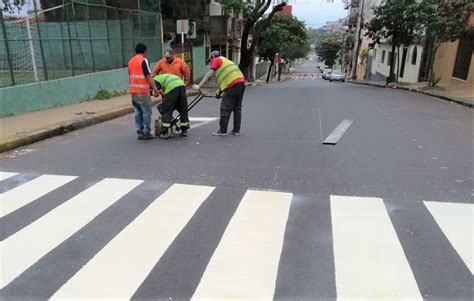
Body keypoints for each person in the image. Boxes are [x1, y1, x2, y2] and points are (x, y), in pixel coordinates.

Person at [193, 51, 246, 136]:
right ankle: (236, 130)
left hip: (232, 85)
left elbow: (209, 74)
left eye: (210, 60)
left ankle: (222, 131)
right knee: (237, 108)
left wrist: (199, 86)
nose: (210, 63)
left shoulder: (217, 59)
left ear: (213, 57)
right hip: (241, 83)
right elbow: (225, 80)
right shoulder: (226, 61)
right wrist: (219, 92)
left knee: (225, 108)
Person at [128, 43, 159, 140]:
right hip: (143, 91)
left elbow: (130, 74)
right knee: (146, 112)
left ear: (135, 51)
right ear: (145, 52)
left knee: (138, 111)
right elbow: (148, 76)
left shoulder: (130, 61)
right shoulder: (143, 60)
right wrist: (155, 89)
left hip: (133, 91)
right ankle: (146, 132)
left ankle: (140, 131)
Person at [154, 73, 189, 139]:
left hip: (172, 87)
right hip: (181, 85)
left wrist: (165, 102)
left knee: (166, 110)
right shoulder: (164, 76)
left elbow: (159, 92)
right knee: (183, 108)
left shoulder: (154, 80)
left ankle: (165, 132)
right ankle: (184, 130)